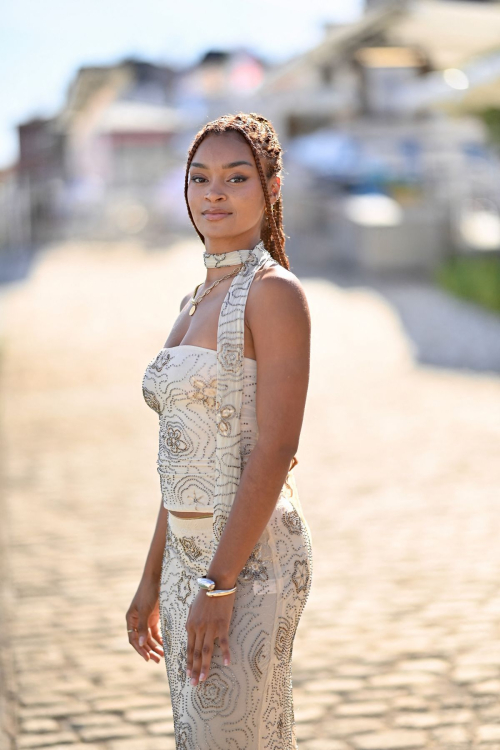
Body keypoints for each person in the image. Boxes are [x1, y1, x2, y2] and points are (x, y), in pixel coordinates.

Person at [126, 112, 313, 749]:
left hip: (248, 561)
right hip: (186, 561)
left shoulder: (273, 293)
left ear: (272, 187)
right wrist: (153, 577)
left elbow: (277, 448)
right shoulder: (193, 300)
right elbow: (182, 451)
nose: (214, 193)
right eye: (199, 177)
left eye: (236, 177)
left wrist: (220, 583)